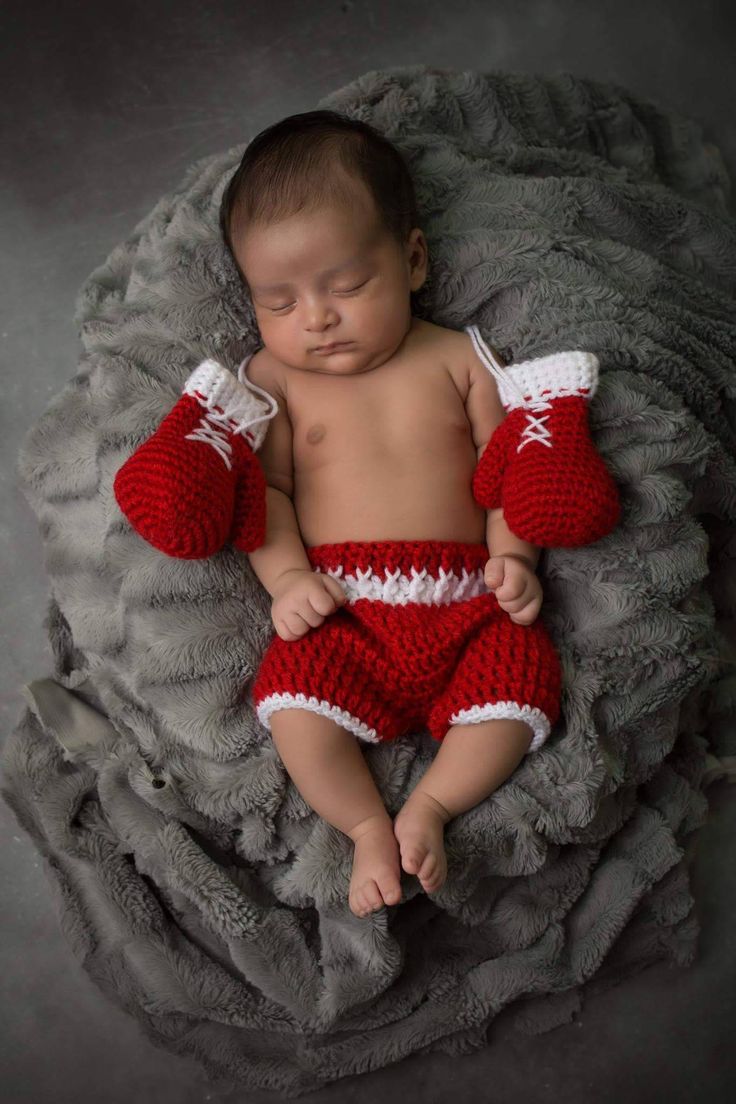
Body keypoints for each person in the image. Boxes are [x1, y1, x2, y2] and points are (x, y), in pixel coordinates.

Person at [219, 109, 563, 919]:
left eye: (346, 285)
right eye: (278, 300)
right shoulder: (276, 378)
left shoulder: (456, 356)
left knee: (522, 688)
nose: (316, 317)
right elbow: (260, 495)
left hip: (469, 603)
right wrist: (288, 578)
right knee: (294, 704)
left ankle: (433, 807)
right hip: (344, 612)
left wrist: (516, 558)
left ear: (411, 259)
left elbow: (510, 467)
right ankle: (367, 824)